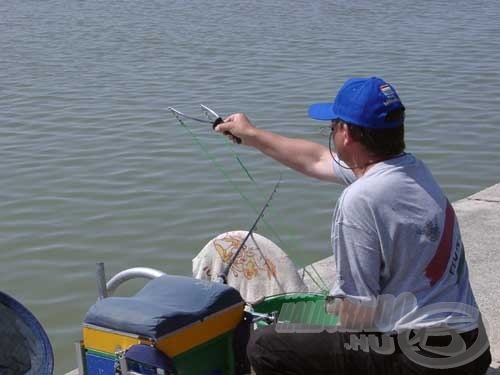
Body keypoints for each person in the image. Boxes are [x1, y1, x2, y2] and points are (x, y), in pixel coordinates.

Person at [214, 77, 492, 374]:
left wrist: (327, 309)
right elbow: (316, 159)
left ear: (345, 133)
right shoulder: (412, 170)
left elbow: (357, 316)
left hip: (425, 361)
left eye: (332, 127)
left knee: (266, 345)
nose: (331, 135)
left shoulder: (359, 200)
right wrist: (251, 134)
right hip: (471, 349)